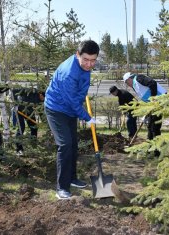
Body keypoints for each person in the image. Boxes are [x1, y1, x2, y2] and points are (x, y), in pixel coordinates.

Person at [44, 40, 99, 199]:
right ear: (78, 55)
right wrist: (87, 117)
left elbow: (79, 90)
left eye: (93, 60)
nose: (89, 64)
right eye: (86, 60)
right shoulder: (69, 73)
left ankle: (72, 178)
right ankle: (61, 187)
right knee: (65, 144)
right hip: (56, 109)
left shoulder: (83, 65)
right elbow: (72, 101)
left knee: (73, 143)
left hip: (69, 109)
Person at [122, 72, 166, 141]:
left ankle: (156, 149)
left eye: (127, 83)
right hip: (152, 105)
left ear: (129, 79)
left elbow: (152, 83)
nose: (127, 85)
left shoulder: (139, 78)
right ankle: (149, 147)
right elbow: (145, 97)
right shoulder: (135, 86)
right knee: (149, 126)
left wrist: (153, 98)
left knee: (154, 127)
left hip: (160, 101)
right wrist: (147, 110)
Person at [13, 87, 44, 156]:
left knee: (34, 127)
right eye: (42, 97)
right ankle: (19, 149)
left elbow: (41, 113)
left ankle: (33, 147)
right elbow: (14, 90)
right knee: (21, 128)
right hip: (19, 110)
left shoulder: (41, 101)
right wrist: (15, 103)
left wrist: (45, 123)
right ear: (40, 94)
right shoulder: (32, 91)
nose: (42, 99)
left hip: (30, 113)